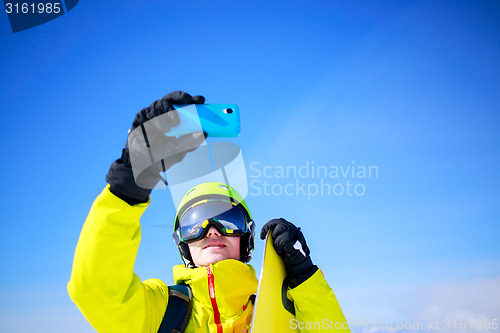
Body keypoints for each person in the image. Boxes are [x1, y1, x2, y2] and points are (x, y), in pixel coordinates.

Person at [68, 91, 350, 332]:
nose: (212, 230)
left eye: (228, 219)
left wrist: (305, 280)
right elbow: (96, 290)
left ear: (247, 240)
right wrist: (128, 184)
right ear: (183, 244)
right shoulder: (162, 311)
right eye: (194, 224)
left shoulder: (280, 311)